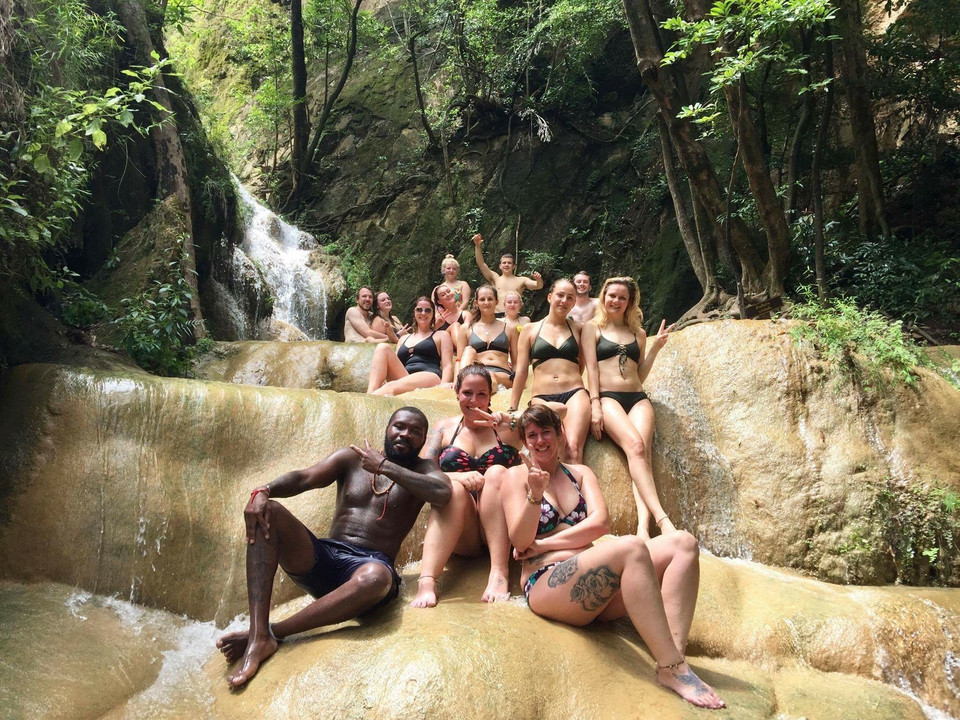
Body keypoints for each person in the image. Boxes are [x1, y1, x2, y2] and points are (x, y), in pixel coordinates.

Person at [501, 405, 725, 710]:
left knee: (683, 543)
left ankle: (673, 660)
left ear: (560, 434)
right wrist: (535, 494)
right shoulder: (516, 477)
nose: (540, 441)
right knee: (631, 547)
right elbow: (520, 540)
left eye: (546, 432)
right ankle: (673, 667)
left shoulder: (581, 474)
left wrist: (544, 544)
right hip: (547, 586)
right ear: (525, 442)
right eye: (532, 435)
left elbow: (601, 524)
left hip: (596, 585)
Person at [215, 407, 452, 688]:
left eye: (415, 432)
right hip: (325, 557)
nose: (405, 435)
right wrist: (263, 490)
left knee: (377, 577)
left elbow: (443, 494)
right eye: (399, 426)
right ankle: (257, 636)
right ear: (387, 428)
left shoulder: (425, 471)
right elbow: (305, 478)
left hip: (369, 571)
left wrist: (385, 467)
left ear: (424, 440)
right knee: (269, 511)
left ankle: (271, 634)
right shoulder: (352, 458)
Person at [411, 364, 523, 607]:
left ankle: (499, 572)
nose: (475, 401)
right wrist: (455, 477)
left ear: (491, 395)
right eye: (467, 393)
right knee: (455, 490)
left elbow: (558, 414)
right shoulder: (443, 427)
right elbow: (421, 471)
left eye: (482, 394)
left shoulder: (506, 429)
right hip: (464, 532)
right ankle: (427, 581)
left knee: (496, 473)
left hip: (504, 527)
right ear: (457, 393)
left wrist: (512, 421)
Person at [582, 277, 677, 540]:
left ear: (630, 302)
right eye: (611, 295)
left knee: (642, 455)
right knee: (635, 446)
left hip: (637, 397)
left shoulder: (639, 333)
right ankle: (664, 519)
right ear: (603, 297)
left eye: (622, 297)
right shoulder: (592, 329)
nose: (616, 301)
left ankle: (643, 528)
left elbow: (640, 374)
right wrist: (595, 404)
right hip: (609, 397)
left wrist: (655, 349)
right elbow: (591, 369)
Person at [509, 278, 589, 463]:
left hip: (574, 394)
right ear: (550, 297)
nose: (564, 301)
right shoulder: (530, 330)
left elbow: (583, 365)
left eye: (570, 297)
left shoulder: (579, 328)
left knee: (572, 449)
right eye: (560, 295)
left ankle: (575, 491)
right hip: (542, 396)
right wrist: (513, 407)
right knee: (547, 450)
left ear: (574, 302)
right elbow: (521, 371)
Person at [367, 296, 454, 396]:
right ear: (414, 312)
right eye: (419, 310)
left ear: (432, 314)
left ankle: (369, 398)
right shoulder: (404, 339)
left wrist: (443, 385)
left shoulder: (441, 335)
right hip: (404, 377)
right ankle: (370, 393)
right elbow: (395, 364)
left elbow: (447, 365)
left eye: (428, 310)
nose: (423, 313)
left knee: (390, 387)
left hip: (428, 375)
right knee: (382, 347)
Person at [459, 284, 519, 389]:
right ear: (476, 303)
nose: (486, 302)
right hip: (476, 373)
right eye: (482, 299)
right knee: (468, 350)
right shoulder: (466, 328)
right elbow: (459, 360)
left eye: (490, 299)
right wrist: (456, 380)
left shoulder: (510, 328)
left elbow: (516, 361)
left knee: (489, 375)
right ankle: (461, 384)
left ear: (496, 302)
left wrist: (518, 380)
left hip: (502, 374)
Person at [472, 233, 543, 313]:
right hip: (497, 315)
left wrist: (538, 279)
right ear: (500, 266)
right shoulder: (495, 278)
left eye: (509, 263)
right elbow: (481, 264)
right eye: (504, 263)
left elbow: (538, 286)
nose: (506, 265)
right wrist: (477, 246)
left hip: (514, 316)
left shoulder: (522, 280)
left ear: (513, 266)